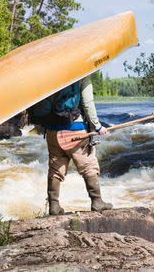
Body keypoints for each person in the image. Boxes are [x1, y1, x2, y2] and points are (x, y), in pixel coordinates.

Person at [30, 76, 113, 215]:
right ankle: (97, 201)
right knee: (88, 165)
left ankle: (54, 206)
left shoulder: (50, 74)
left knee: (56, 168)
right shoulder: (82, 75)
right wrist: (97, 126)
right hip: (75, 128)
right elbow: (88, 103)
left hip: (52, 130)